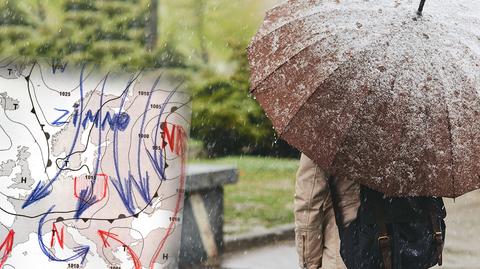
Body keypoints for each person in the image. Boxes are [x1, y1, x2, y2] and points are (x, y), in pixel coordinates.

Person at [294, 153, 360, 269]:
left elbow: (309, 200)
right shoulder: (395, 140)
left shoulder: (327, 137)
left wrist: (309, 263)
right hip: (391, 247)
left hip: (343, 249)